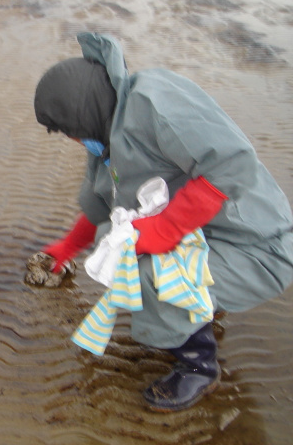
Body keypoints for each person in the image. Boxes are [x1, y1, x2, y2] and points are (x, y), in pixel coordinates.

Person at [32, 31, 293, 412]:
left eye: (71, 133)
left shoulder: (153, 103)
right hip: (211, 233)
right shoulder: (109, 131)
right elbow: (101, 204)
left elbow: (232, 164)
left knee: (148, 270)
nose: (74, 141)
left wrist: (165, 230)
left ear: (86, 113)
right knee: (116, 237)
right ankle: (200, 307)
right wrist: (67, 248)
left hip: (259, 245)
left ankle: (199, 366)